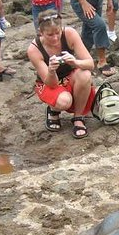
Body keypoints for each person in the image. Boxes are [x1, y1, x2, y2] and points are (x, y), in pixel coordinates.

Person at [27, 10, 97, 139]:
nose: (55, 38)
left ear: (61, 28)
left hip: (69, 76)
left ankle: (78, 117)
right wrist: (51, 70)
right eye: (49, 35)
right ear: (40, 33)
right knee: (65, 101)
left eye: (57, 33)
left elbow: (90, 64)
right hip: (48, 82)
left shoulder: (69, 34)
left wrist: (75, 62)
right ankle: (53, 110)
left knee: (85, 74)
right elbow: (50, 83)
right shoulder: (34, 49)